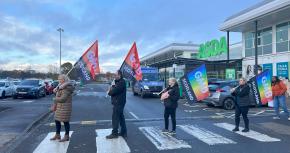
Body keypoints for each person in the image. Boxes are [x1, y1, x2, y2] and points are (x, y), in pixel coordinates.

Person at [50, 74, 75, 142]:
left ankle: (66, 136)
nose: (59, 80)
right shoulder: (61, 87)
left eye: (61, 79)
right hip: (60, 107)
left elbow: (63, 99)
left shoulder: (66, 87)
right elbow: (59, 95)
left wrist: (54, 99)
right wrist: (56, 90)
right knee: (57, 120)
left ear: (64, 79)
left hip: (65, 107)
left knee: (65, 122)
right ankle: (58, 135)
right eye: (59, 79)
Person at [106, 70, 127, 139]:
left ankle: (114, 133)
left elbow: (113, 91)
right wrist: (112, 86)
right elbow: (113, 89)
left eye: (115, 75)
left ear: (119, 75)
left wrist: (110, 91)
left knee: (115, 118)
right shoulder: (117, 82)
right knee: (121, 117)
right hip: (118, 102)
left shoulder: (122, 82)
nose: (114, 76)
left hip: (119, 103)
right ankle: (124, 132)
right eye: (114, 75)